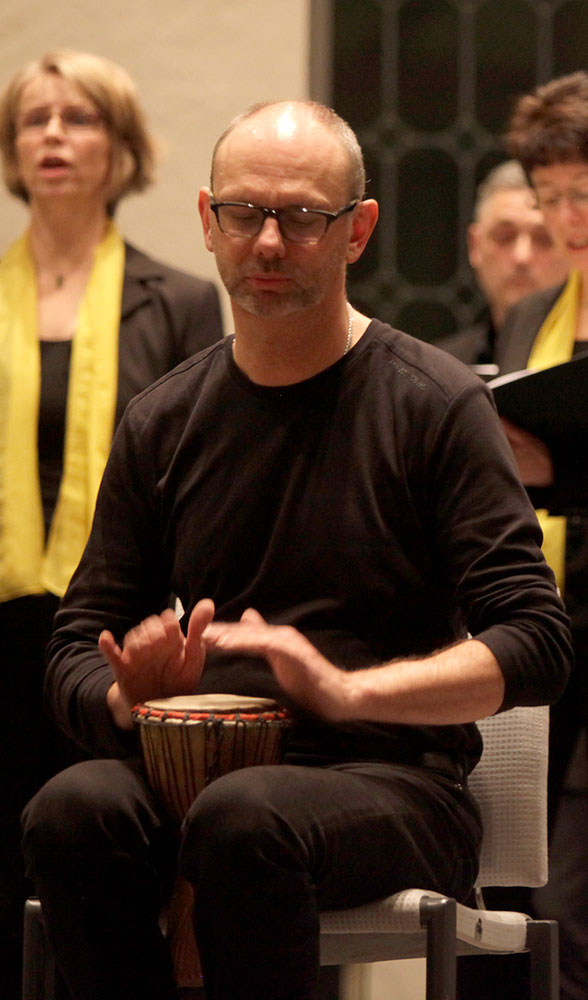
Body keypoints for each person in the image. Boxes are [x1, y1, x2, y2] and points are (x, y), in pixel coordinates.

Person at [21, 100, 572, 1000]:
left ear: (358, 230)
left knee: (244, 818)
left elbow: (537, 641)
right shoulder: (164, 419)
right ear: (208, 221)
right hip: (201, 776)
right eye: (245, 213)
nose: (269, 243)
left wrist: (345, 690)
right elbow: (74, 644)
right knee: (72, 810)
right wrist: (126, 695)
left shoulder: (434, 403)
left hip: (393, 781)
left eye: (304, 217)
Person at [0, 49, 223, 1000]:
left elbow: (204, 480)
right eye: (34, 118)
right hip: (0, 625)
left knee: (99, 866)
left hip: (116, 637)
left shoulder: (180, 303)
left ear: (121, 148)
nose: (53, 135)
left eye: (79, 117)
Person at [494, 70, 588, 1000]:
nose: (568, 217)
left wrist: (562, 472)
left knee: (575, 895)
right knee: (522, 888)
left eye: (584, 192)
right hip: (552, 630)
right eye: (550, 195)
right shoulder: (531, 315)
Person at [437, 159, 568, 376]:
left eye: (544, 238)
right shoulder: (438, 370)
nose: (522, 257)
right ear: (475, 246)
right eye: (505, 236)